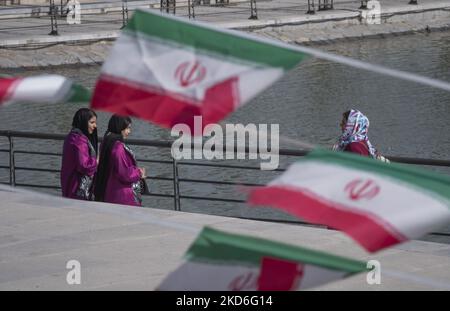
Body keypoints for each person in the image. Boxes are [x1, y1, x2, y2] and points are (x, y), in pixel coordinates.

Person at [94, 115, 147, 207]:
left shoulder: (106, 142)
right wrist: (138, 172)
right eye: (127, 128)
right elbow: (124, 173)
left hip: (109, 190)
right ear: (120, 128)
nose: (129, 132)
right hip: (122, 195)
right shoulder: (118, 147)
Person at [61, 108, 98, 200]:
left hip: (69, 182)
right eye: (92, 122)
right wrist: (96, 160)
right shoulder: (79, 140)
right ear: (84, 122)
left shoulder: (72, 135)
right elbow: (84, 166)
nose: (95, 126)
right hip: (77, 187)